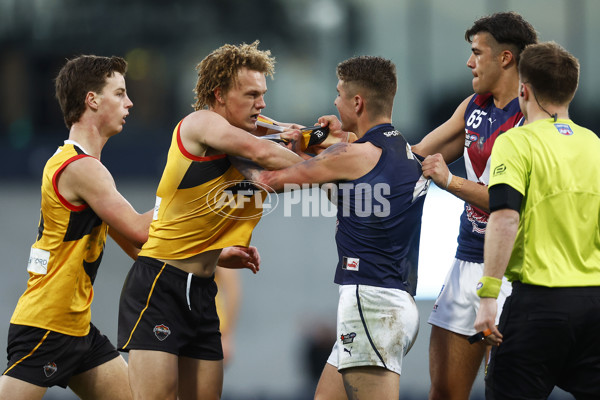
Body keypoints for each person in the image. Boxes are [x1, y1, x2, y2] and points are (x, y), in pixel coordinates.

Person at [117, 41, 304, 400]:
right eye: (251, 94)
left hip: (202, 292)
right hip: (161, 285)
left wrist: (329, 145)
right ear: (219, 94)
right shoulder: (201, 122)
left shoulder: (244, 145)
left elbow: (282, 173)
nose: (261, 103)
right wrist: (342, 171)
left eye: (263, 95)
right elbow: (265, 152)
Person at [245, 55, 429, 400]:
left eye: (339, 93)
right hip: (393, 304)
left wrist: (226, 149)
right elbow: (345, 190)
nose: (333, 101)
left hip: (370, 303)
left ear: (357, 102)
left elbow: (268, 180)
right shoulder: (402, 152)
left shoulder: (353, 155)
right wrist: (313, 146)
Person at [0, 55, 149, 400]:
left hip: (76, 329)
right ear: (92, 100)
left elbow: (138, 248)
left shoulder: (86, 168)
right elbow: (142, 230)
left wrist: (213, 254)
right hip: (47, 325)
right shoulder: (83, 169)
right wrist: (194, 188)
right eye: (119, 93)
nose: (129, 102)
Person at [410, 12, 538, 399]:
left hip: (516, 270)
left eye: (477, 52)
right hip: (467, 260)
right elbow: (414, 157)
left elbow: (511, 204)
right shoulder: (473, 107)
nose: (469, 62)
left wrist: (451, 182)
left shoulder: (534, 116)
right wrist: (344, 146)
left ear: (505, 58)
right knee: (445, 392)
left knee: (506, 391)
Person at [473, 41, 600, 399]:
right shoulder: (595, 145)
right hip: (594, 304)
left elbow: (504, 218)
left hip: (539, 307)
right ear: (570, 91)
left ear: (523, 90)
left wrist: (488, 297)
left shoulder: (516, 142)